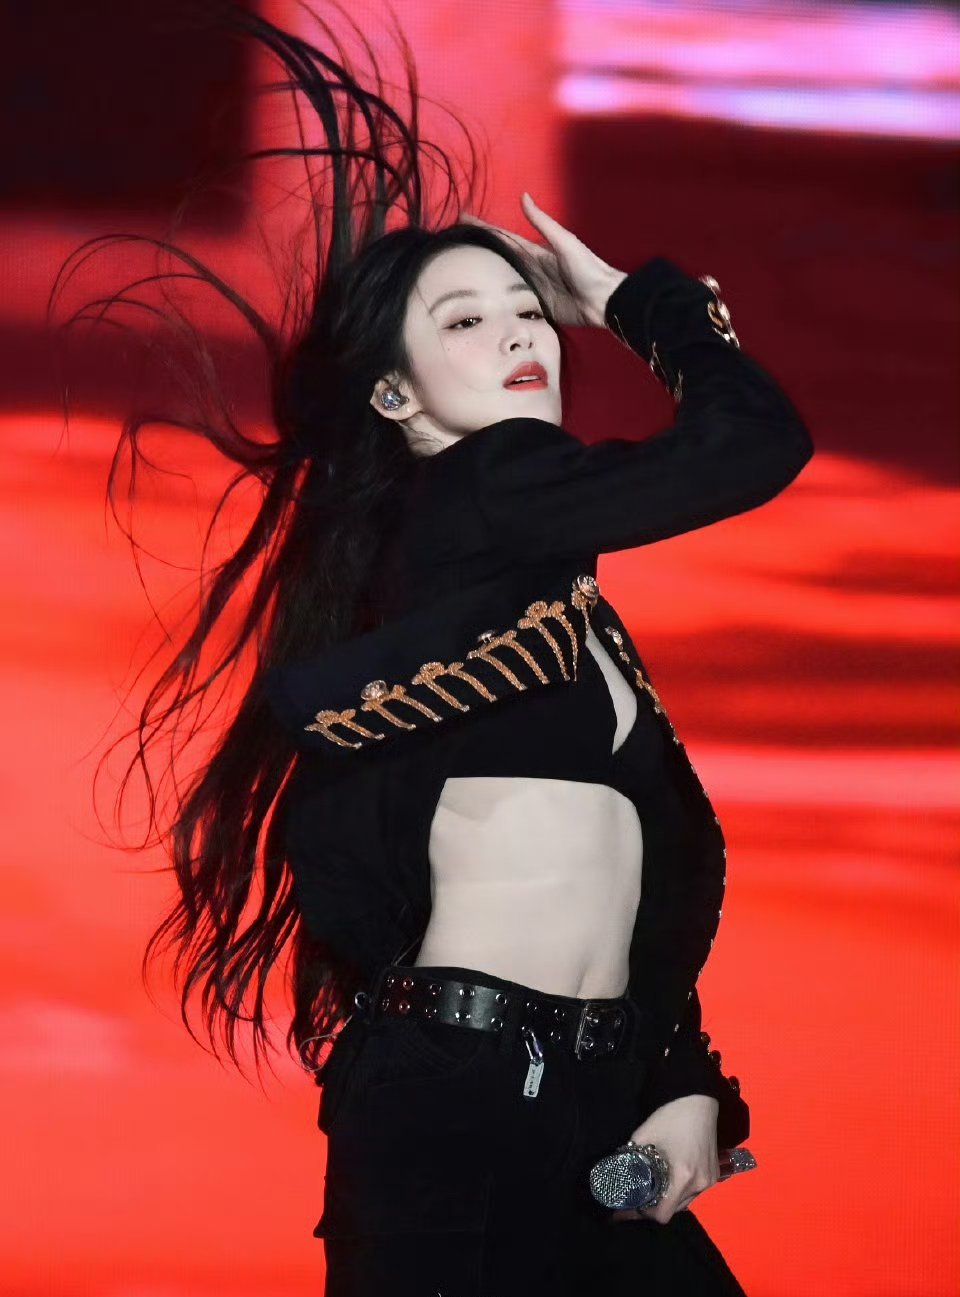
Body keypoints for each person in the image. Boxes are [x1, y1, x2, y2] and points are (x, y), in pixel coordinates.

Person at [54, 6, 812, 1294]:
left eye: (530, 312)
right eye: (465, 322)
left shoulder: (550, 611)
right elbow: (754, 445)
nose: (521, 335)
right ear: (393, 395)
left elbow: (633, 876)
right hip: (466, 1101)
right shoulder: (487, 492)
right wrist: (643, 307)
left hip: (581, 1102)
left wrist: (681, 1081)